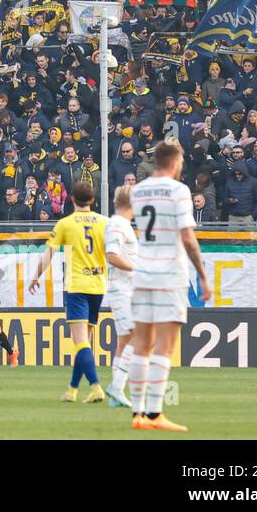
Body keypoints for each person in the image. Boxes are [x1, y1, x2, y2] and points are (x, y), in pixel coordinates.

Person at [126, 141, 211, 432]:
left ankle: (137, 413)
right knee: (164, 346)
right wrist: (202, 275)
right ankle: (154, 413)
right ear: (175, 163)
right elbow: (187, 237)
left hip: (142, 272)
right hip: (169, 273)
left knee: (142, 345)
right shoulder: (179, 191)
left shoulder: (138, 190)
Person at [29, 180, 107, 404]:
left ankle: (95, 387)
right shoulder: (105, 222)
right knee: (85, 344)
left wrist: (36, 275)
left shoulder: (65, 223)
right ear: (92, 200)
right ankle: (73, 390)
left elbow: (48, 254)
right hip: (98, 285)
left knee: (80, 342)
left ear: (72, 199)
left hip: (76, 286)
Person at [103, 184, 138, 407]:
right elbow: (112, 256)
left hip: (126, 289)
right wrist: (138, 270)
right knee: (139, 337)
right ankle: (116, 386)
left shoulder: (122, 224)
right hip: (122, 291)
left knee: (125, 341)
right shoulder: (117, 225)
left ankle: (116, 395)